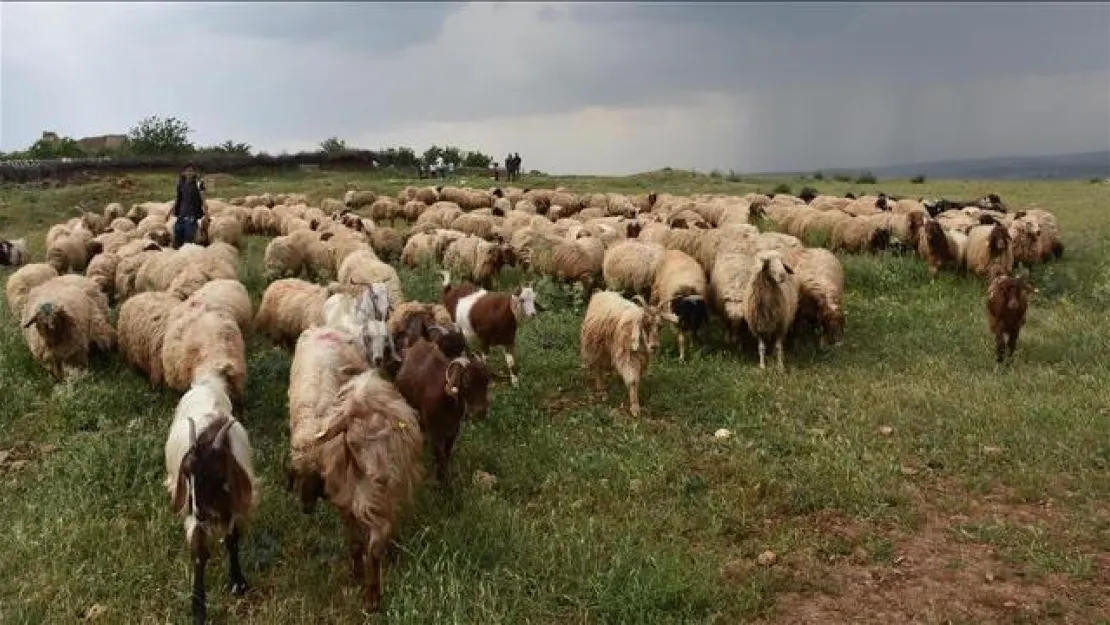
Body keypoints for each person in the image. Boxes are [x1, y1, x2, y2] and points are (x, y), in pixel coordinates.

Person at [170, 162, 206, 249]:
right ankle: (177, 250)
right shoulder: (181, 184)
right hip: (182, 212)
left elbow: (203, 198)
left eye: (191, 171)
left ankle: (188, 250)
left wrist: (206, 210)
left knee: (189, 233)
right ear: (184, 173)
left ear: (194, 173)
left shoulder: (198, 184)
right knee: (177, 231)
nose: (189, 173)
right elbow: (178, 198)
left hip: (193, 212)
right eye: (187, 171)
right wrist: (171, 210)